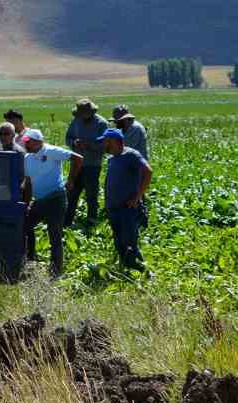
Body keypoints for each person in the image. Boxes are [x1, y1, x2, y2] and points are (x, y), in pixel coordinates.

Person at [21, 129, 82, 275]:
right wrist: (27, 202)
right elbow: (28, 182)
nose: (25, 144)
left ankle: (56, 271)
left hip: (55, 198)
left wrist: (71, 180)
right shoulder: (28, 158)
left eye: (28, 142)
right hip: (39, 200)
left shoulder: (51, 150)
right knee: (23, 227)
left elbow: (78, 158)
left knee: (54, 235)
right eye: (24, 142)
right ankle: (28, 260)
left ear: (37, 142)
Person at [101, 128, 151, 270]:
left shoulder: (131, 155)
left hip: (127, 207)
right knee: (119, 242)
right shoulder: (112, 159)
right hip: (113, 207)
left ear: (114, 141)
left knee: (129, 242)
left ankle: (141, 271)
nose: (103, 145)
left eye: (105, 141)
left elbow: (148, 172)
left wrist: (137, 197)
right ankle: (126, 270)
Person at [64, 99, 110, 227]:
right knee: (72, 192)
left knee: (91, 194)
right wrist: (74, 143)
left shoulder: (102, 123)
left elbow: (106, 145)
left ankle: (91, 221)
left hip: (93, 164)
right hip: (76, 163)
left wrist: (89, 144)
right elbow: (68, 137)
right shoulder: (76, 121)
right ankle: (67, 221)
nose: (82, 117)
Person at [112, 104, 149, 227]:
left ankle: (142, 220)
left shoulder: (135, 129)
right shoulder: (125, 128)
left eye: (118, 121)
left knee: (137, 193)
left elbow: (125, 149)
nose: (116, 124)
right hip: (128, 166)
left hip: (137, 166)